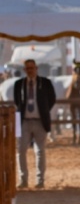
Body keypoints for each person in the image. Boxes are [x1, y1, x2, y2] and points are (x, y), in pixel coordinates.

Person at [13, 59, 56, 189]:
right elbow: (17, 101)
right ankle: (23, 179)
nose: (30, 70)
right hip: (23, 121)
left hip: (40, 121)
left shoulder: (46, 83)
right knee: (21, 150)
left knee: (40, 151)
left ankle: (40, 180)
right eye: (28, 68)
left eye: (32, 68)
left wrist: (43, 111)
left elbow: (52, 99)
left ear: (36, 68)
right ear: (24, 70)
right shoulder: (18, 84)